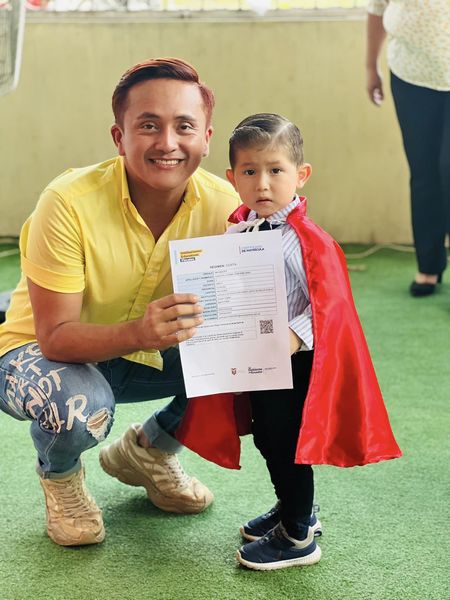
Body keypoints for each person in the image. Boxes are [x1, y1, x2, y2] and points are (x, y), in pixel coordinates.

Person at [0, 57, 240, 547]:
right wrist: (139, 332)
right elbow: (55, 337)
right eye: (148, 126)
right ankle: (61, 476)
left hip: (147, 353)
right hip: (39, 353)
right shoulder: (67, 201)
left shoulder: (227, 206)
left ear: (207, 138)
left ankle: (150, 450)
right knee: (76, 406)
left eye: (184, 126)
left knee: (259, 361)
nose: (167, 143)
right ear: (119, 136)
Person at [174, 113, 402, 571]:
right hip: (258, 359)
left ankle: (297, 534)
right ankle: (294, 508)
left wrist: (295, 336)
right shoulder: (241, 227)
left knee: (286, 442)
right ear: (232, 178)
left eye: (275, 170)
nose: (262, 183)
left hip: (294, 365)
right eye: (250, 171)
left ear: (301, 174)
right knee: (267, 436)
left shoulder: (302, 240)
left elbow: (327, 304)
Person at [366, 0, 450, 296]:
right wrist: (370, 66)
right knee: (424, 172)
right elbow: (377, 8)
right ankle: (429, 265)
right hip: (411, 76)